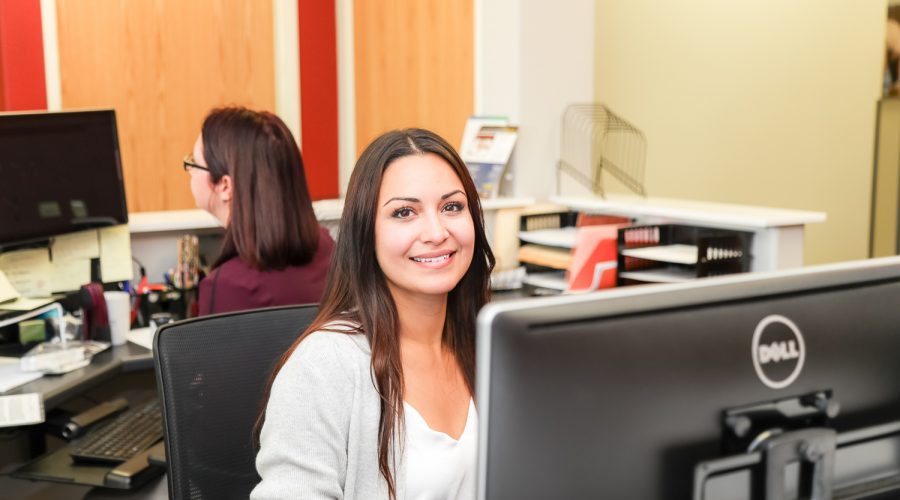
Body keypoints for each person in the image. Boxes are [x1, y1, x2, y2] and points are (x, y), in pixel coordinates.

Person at [252, 128, 495, 499]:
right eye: (404, 212)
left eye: (452, 206)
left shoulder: (487, 345)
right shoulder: (322, 366)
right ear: (367, 233)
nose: (436, 231)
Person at [184, 107, 335, 315]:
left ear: (225, 186)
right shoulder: (328, 249)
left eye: (194, 162)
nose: (189, 171)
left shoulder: (229, 285)